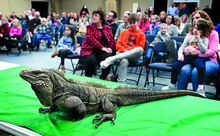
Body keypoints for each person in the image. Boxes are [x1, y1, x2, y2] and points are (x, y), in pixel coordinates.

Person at [162, 18, 211, 97]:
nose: (195, 30)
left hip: (197, 57)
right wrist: (180, 55)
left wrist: (198, 39)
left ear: (203, 30)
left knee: (201, 67)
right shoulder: (189, 37)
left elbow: (204, 50)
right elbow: (181, 47)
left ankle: (201, 88)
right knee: (175, 66)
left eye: (198, 29)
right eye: (195, 28)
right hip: (188, 56)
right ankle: (172, 84)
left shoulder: (205, 39)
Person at [177, 11, 219, 94]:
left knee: (196, 72)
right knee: (184, 70)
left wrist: (196, 52)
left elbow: (212, 51)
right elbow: (184, 47)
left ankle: (199, 96)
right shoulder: (191, 33)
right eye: (193, 18)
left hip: (210, 61)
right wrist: (188, 49)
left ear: (205, 19)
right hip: (194, 60)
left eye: (197, 17)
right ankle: (179, 95)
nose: (194, 20)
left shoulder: (213, 33)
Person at [100, 14, 146, 83]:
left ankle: (112, 59)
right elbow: (118, 44)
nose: (132, 24)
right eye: (131, 23)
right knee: (124, 60)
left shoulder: (141, 34)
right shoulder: (123, 32)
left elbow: (140, 48)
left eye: (134, 22)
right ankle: (121, 83)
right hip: (122, 53)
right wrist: (125, 51)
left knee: (140, 49)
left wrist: (128, 52)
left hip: (133, 56)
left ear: (138, 22)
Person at [80, 10, 115, 79]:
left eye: (96, 16)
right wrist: (102, 47)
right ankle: (88, 78)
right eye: (93, 16)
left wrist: (110, 48)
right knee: (91, 60)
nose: (93, 17)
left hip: (102, 51)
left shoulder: (108, 28)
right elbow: (91, 39)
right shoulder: (90, 27)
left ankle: (103, 77)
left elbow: (112, 40)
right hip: (90, 50)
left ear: (101, 19)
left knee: (109, 58)